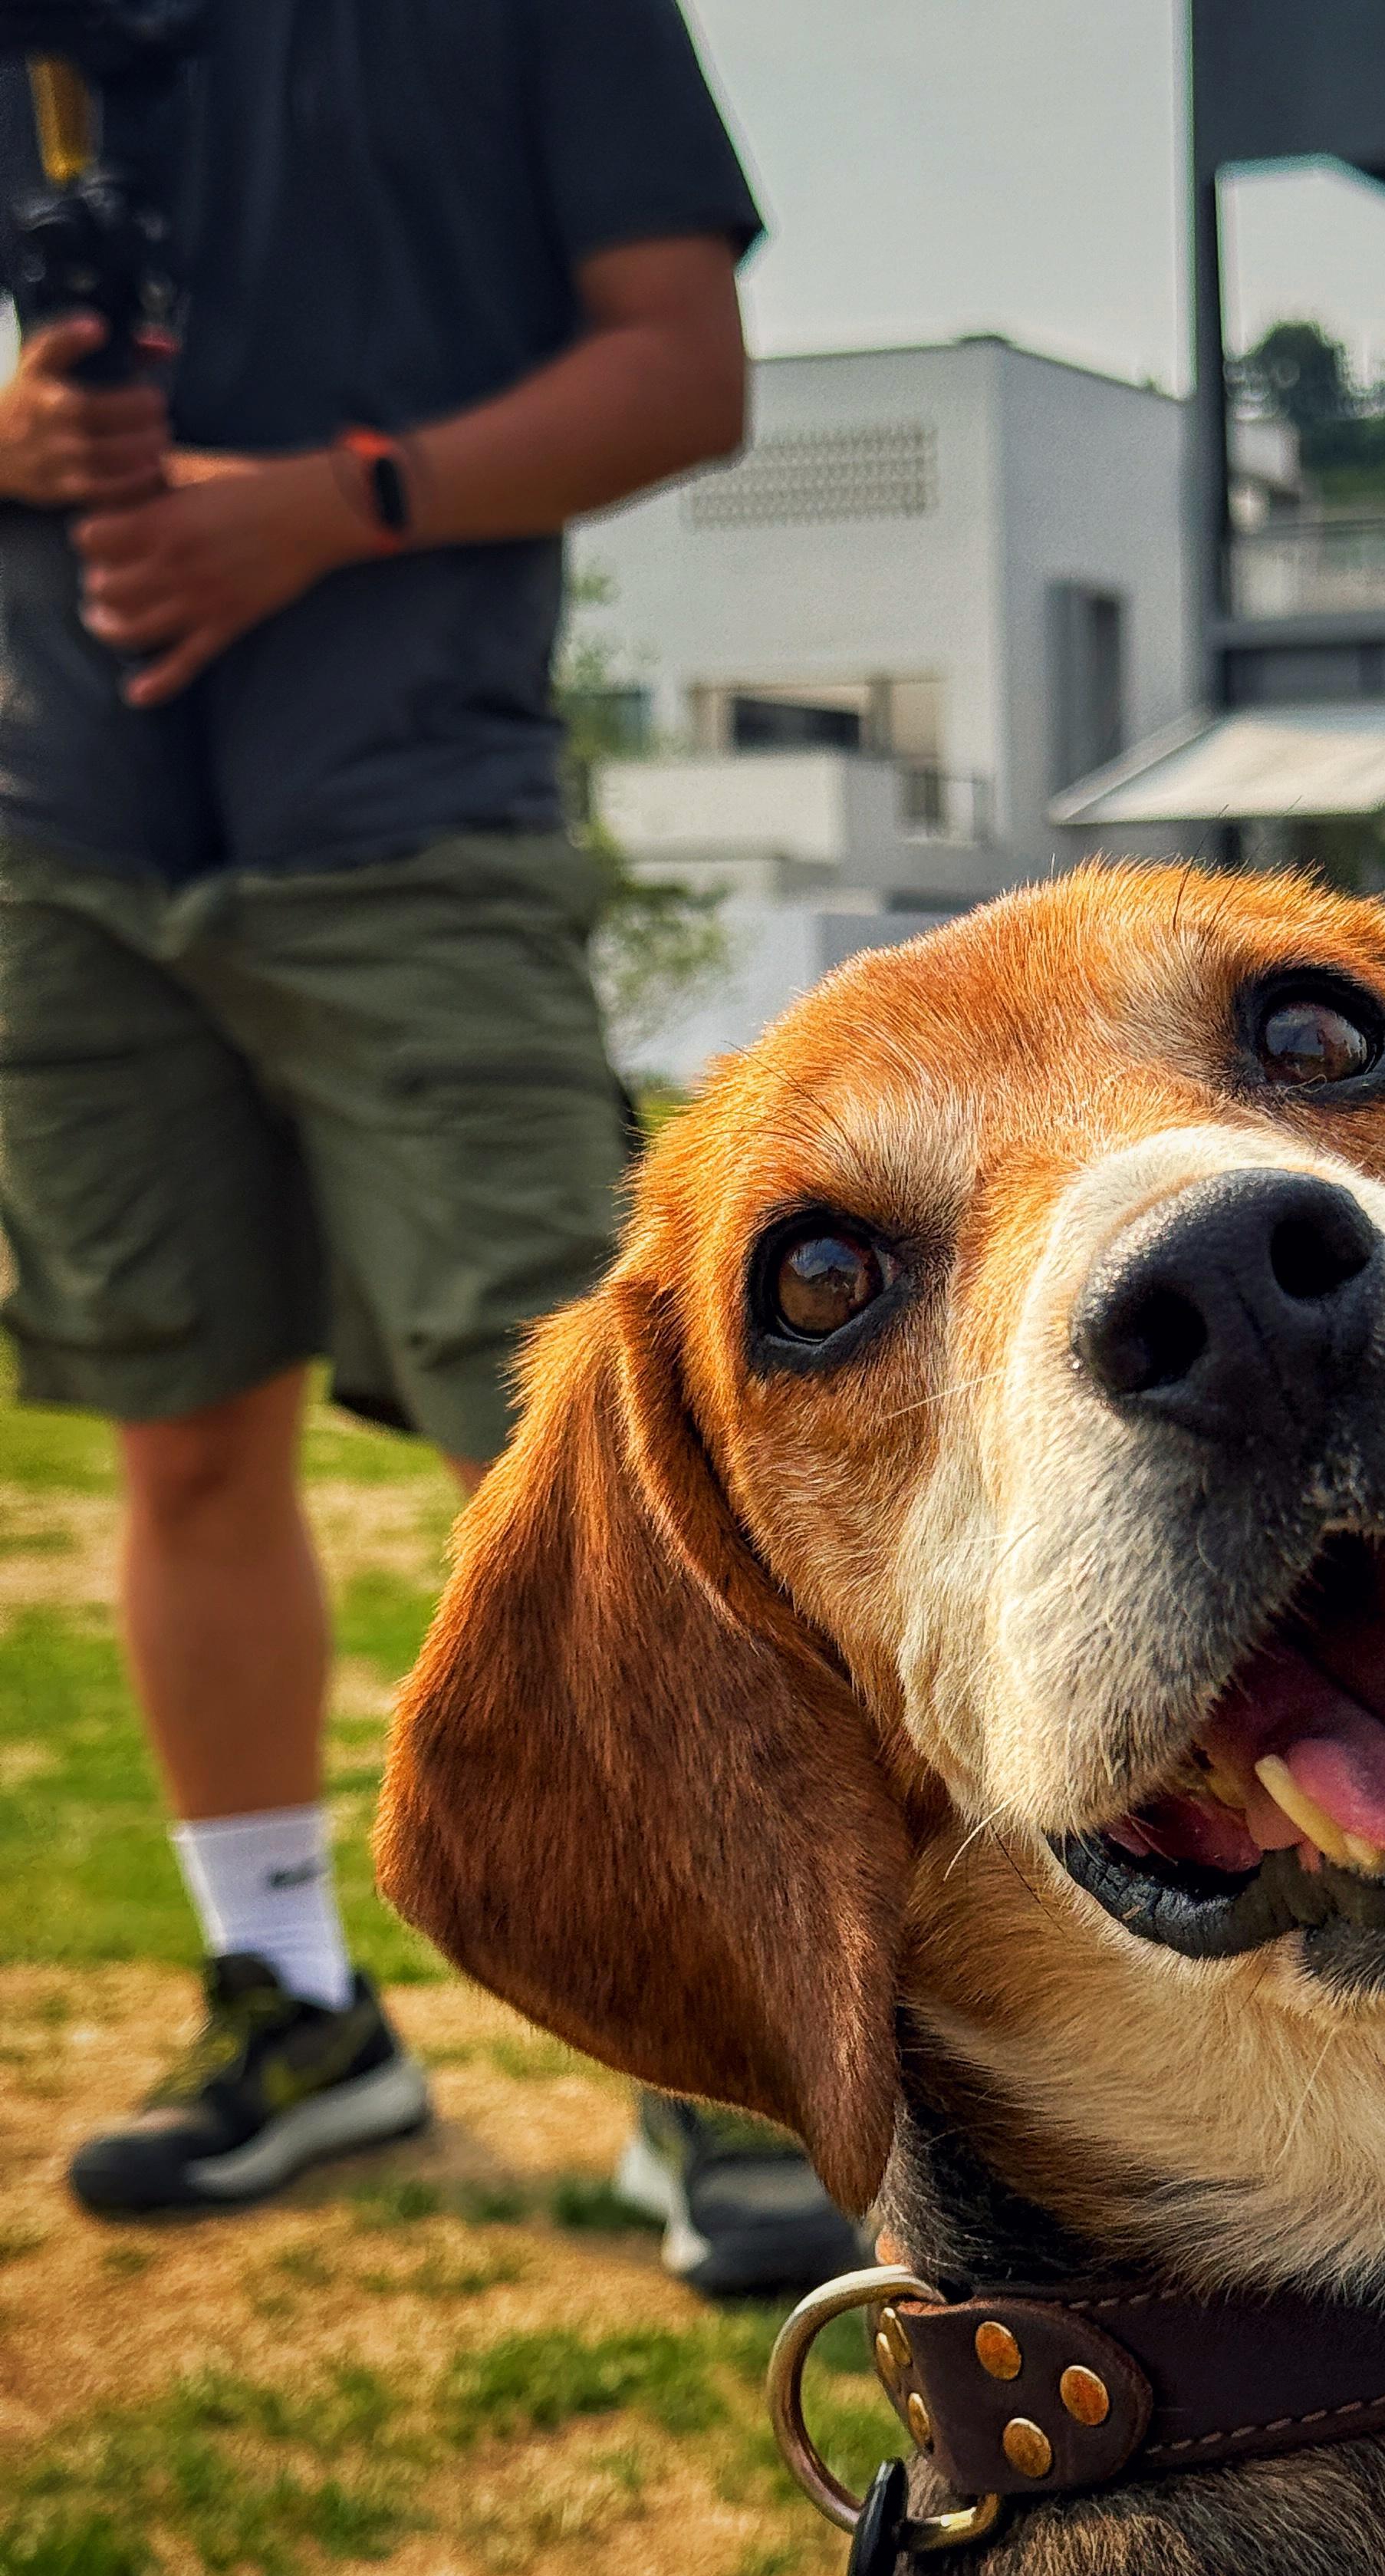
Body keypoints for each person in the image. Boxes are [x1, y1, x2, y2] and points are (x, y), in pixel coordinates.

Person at [0, 0, 857, 2292]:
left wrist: (325, 504)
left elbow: (683, 365)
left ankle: (712, 2040)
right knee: (183, 1444)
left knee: (584, 1433)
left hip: (408, 817)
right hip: (60, 832)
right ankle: (292, 2010)